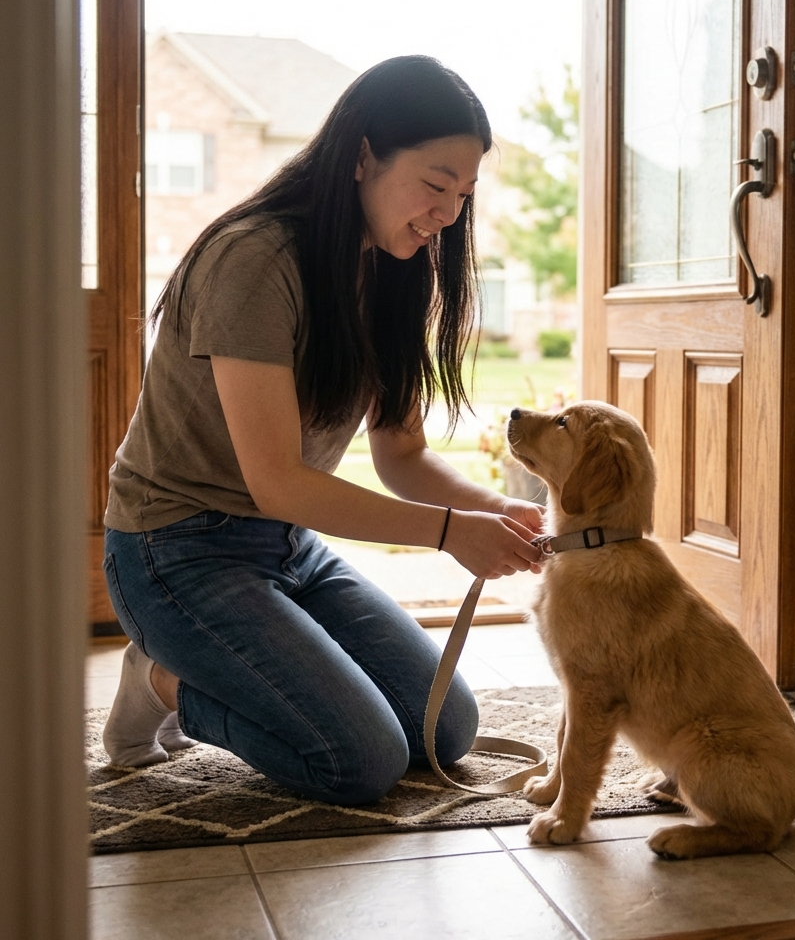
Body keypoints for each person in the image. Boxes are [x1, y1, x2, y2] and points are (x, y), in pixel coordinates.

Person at [101, 55, 544, 805]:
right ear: (364, 154)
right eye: (435, 186)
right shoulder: (254, 259)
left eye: (463, 195)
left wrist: (491, 511)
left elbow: (399, 452)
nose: (449, 214)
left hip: (286, 547)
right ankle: (161, 680)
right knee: (360, 759)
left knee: (446, 729)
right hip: (172, 551)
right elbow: (277, 480)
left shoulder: (400, 269)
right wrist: (446, 532)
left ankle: (211, 664)